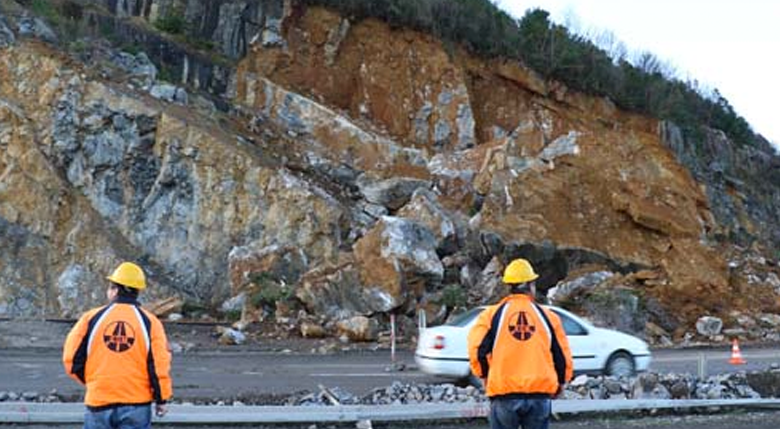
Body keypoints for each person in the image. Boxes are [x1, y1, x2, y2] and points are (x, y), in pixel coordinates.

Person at [63, 262, 173, 429]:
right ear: (137, 291)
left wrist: (94, 382)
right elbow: (159, 366)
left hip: (99, 401)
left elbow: (71, 360)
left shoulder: (91, 318)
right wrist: (161, 399)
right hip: (136, 403)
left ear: (114, 290)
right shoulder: (150, 322)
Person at [468, 258, 573, 429]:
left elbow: (477, 350)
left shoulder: (491, 316)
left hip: (504, 395)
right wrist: (561, 382)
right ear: (531, 285)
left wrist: (485, 375)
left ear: (508, 286)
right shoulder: (548, 317)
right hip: (539, 395)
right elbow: (561, 355)